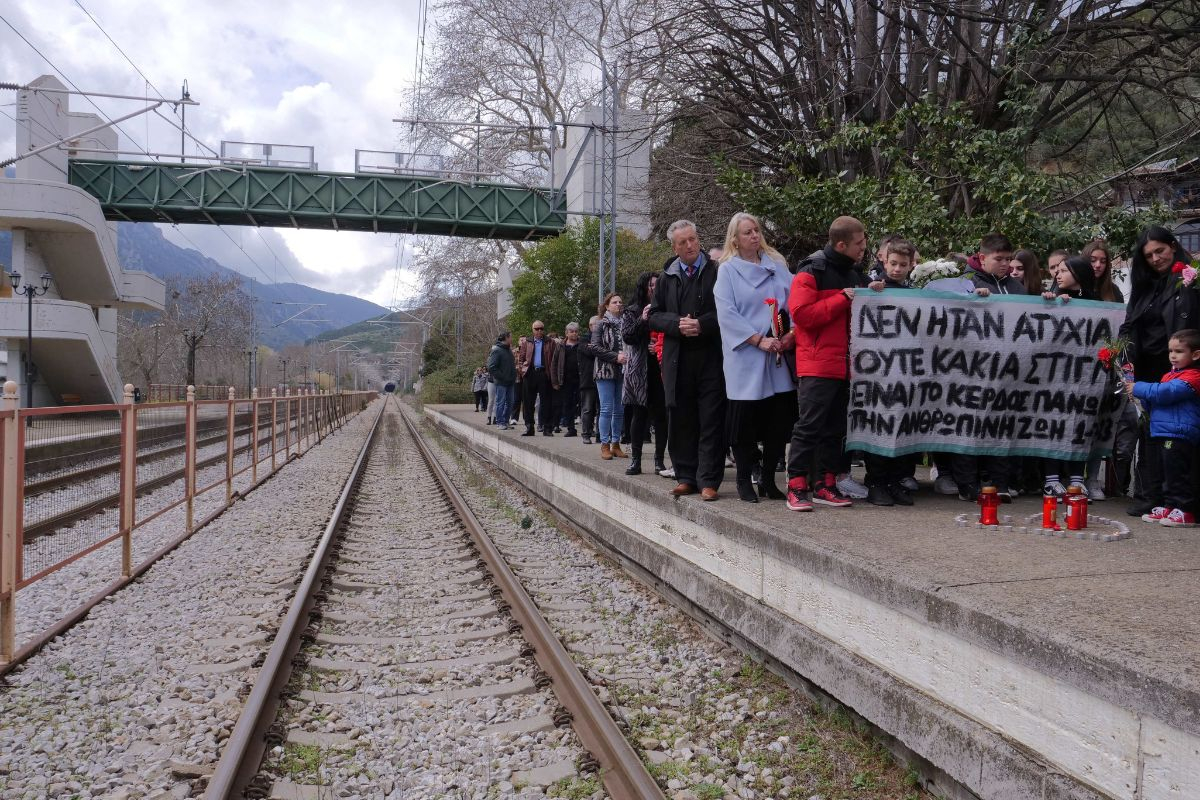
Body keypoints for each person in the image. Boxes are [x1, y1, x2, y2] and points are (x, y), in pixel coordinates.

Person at [784, 216, 869, 511]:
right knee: (809, 427)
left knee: (835, 429)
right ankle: (796, 486)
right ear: (842, 244)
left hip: (845, 364)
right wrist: (841, 299)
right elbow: (802, 315)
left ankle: (825, 484)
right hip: (817, 363)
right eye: (859, 243)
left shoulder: (854, 273)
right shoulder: (811, 269)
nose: (864, 247)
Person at [714, 212, 796, 502]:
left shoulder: (776, 266)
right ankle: (743, 479)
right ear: (735, 239)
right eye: (748, 232)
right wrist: (757, 339)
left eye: (757, 230)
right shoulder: (727, 270)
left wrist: (791, 334)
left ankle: (770, 479)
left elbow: (794, 302)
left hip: (777, 354)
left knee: (776, 421)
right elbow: (727, 313)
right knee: (744, 423)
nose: (754, 236)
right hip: (747, 355)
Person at [1119, 225, 1200, 517]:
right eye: (1149, 255)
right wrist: (1123, 356)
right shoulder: (1144, 287)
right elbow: (1129, 325)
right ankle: (1151, 496)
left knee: (1179, 437)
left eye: (1160, 251)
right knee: (1151, 433)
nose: (1155, 258)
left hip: (1181, 371)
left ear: (1173, 246)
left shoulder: (1190, 279)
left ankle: (1181, 502)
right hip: (1148, 370)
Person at [650, 220, 727, 501]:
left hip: (709, 356)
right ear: (675, 247)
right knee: (681, 419)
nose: (690, 245)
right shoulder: (667, 276)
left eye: (693, 239)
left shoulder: (716, 271)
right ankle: (686, 476)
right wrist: (677, 324)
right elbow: (654, 315)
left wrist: (702, 325)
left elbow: (727, 311)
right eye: (683, 242)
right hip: (677, 358)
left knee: (710, 419)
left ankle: (708, 480)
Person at [951, 233, 1023, 501]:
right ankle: (967, 484)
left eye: (1008, 259)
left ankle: (999, 483)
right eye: (999, 259)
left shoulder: (1017, 288)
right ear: (982, 258)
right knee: (969, 427)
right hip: (971, 371)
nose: (1005, 264)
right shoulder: (965, 283)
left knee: (1001, 427)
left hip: (1006, 370)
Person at [862, 239, 921, 505]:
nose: (897, 269)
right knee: (879, 425)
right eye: (893, 264)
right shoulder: (873, 288)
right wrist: (871, 291)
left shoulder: (913, 292)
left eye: (903, 265)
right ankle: (876, 481)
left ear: (911, 266)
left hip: (906, 371)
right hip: (878, 372)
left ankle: (896, 480)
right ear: (884, 261)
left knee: (902, 426)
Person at [1125, 328, 1200, 527]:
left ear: (1195, 354)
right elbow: (1157, 398)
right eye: (1170, 351)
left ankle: (1184, 509)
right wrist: (1142, 399)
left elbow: (1167, 393)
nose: (1173, 356)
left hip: (1179, 433)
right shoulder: (1169, 375)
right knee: (1165, 472)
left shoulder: (1193, 377)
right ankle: (1170, 506)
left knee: (1177, 473)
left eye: (1179, 351)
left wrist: (1139, 388)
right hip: (1163, 431)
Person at [1040, 255, 1099, 497]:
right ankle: (1051, 479)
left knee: (1079, 428)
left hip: (1082, 380)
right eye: (1058, 270)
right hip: (1053, 379)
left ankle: (1077, 478)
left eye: (1065, 270)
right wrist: (1050, 304)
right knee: (1052, 427)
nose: (1058, 274)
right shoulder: (1050, 300)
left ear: (1079, 274)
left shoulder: (1095, 304)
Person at [622, 272, 669, 476]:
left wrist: (660, 347)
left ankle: (659, 461)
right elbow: (628, 336)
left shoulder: (665, 308)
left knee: (661, 417)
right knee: (639, 416)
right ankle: (636, 460)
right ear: (644, 287)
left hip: (661, 369)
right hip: (639, 370)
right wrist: (643, 319)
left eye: (658, 285)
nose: (655, 289)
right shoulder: (632, 310)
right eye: (652, 285)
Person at [588, 295, 627, 460]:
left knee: (619, 409)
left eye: (620, 302)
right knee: (606, 408)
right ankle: (604, 444)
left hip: (622, 371)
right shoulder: (600, 324)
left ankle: (616, 444)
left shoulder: (625, 323)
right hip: (605, 371)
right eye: (614, 302)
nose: (619, 304)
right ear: (607, 306)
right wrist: (615, 356)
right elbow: (594, 347)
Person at [516, 321, 560, 437]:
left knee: (546, 403)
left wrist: (553, 375)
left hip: (545, 374)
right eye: (537, 329)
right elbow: (520, 359)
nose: (539, 331)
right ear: (533, 330)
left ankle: (547, 428)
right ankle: (529, 427)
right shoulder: (527, 342)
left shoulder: (550, 342)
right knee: (528, 403)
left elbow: (555, 360)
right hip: (530, 374)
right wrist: (522, 371)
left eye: (541, 328)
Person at [553, 322, 582, 437]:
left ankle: (587, 429)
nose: (574, 333)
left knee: (583, 404)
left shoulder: (582, 344)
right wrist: (555, 381)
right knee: (568, 404)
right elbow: (554, 363)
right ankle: (571, 428)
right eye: (571, 331)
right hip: (565, 380)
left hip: (581, 378)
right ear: (566, 333)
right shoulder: (560, 346)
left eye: (576, 331)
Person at [486, 332, 517, 430]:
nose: (512, 339)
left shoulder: (509, 350)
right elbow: (491, 367)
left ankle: (506, 421)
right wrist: (502, 376)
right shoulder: (497, 350)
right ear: (506, 338)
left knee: (510, 402)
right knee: (500, 402)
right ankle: (500, 422)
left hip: (510, 382)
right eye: (511, 337)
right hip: (501, 382)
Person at [578, 317, 600, 444]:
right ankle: (586, 433)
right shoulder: (584, 339)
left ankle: (599, 435)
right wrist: (597, 348)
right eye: (596, 325)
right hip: (588, 379)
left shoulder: (603, 338)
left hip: (602, 377)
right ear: (590, 326)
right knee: (587, 408)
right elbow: (590, 352)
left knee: (601, 409)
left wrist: (596, 348)